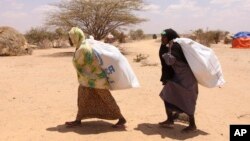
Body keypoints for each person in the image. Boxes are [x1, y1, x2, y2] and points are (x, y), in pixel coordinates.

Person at [65, 27, 126, 128]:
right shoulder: (81, 46)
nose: (69, 39)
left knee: (106, 98)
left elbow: (81, 63)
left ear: (76, 37)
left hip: (97, 79)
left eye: (71, 37)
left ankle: (121, 118)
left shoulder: (83, 48)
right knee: (82, 99)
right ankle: (78, 119)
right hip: (87, 79)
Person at [158, 28, 198, 132]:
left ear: (170, 37)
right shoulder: (169, 45)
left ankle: (192, 125)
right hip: (177, 77)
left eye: (164, 37)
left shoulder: (175, 46)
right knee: (167, 96)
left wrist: (165, 54)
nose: (162, 39)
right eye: (162, 37)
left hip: (186, 79)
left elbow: (170, 61)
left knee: (188, 101)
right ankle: (170, 120)